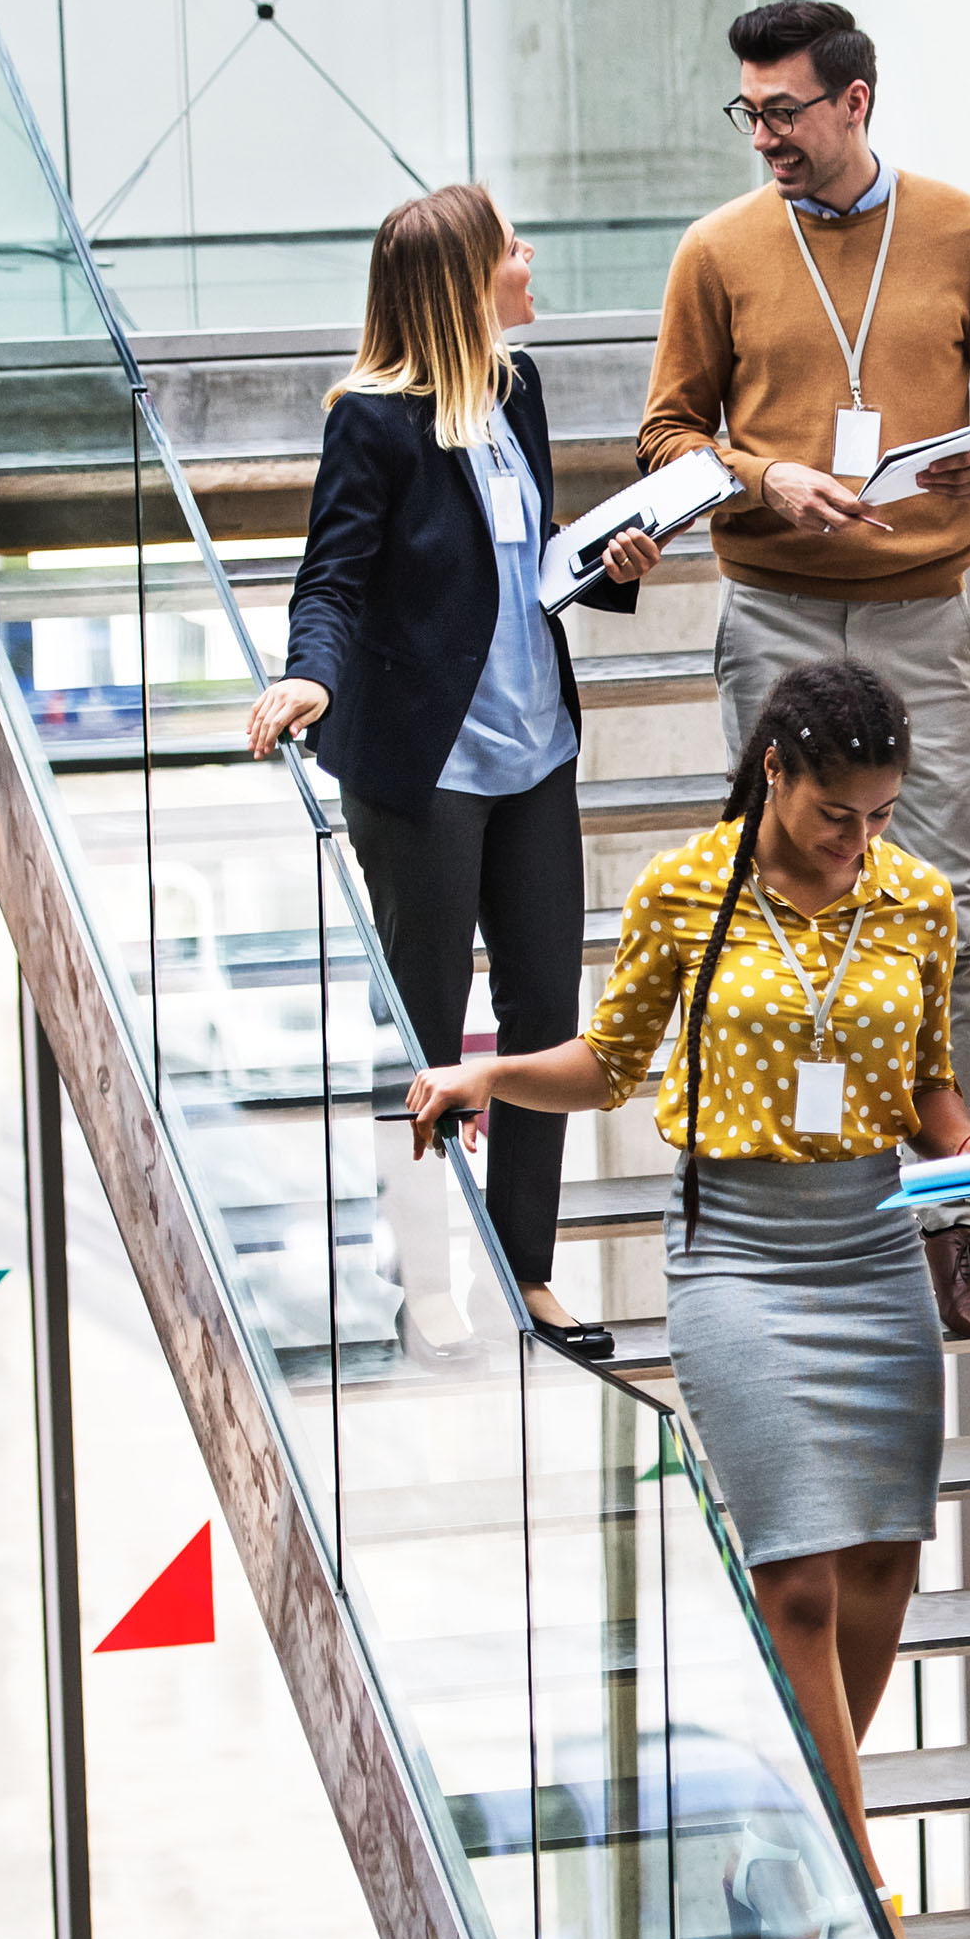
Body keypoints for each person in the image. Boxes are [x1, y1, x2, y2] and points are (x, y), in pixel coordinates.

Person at [403, 660, 970, 1939]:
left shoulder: (911, 900)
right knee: (795, 1580)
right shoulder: (689, 888)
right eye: (837, 814)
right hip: (735, 1252)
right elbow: (608, 1064)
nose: (860, 842)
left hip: (871, 1248)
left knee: (880, 1574)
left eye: (880, 815)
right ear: (777, 771)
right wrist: (490, 1071)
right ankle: (865, 1913)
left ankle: (809, 1829)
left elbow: (930, 1103)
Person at [640, 0, 970, 1349]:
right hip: (770, 611)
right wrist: (772, 479)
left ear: (856, 102)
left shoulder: (965, 234)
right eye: (747, 112)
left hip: (923, 616)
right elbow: (667, 436)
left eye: (786, 112)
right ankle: (778, 1222)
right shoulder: (717, 251)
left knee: (946, 912)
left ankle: (952, 1231)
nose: (765, 136)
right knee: (772, 905)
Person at [249, 184, 656, 1354]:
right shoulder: (371, 422)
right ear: (466, 282)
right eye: (510, 247)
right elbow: (331, 576)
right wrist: (311, 677)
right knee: (426, 1032)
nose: (530, 257)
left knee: (544, 1017)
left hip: (536, 756)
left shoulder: (515, 392)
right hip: (425, 773)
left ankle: (521, 1274)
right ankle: (425, 1279)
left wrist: (611, 563)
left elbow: (527, 559)